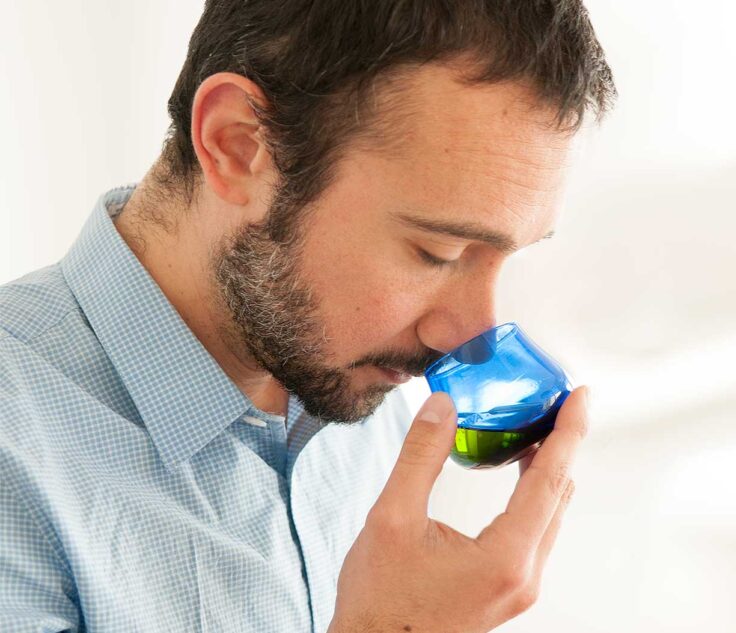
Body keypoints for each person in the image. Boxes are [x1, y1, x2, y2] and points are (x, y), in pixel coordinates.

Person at [0, 1, 615, 631]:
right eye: (438, 253)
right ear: (238, 144)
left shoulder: (350, 382)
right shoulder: (14, 464)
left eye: (506, 258)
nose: (468, 337)